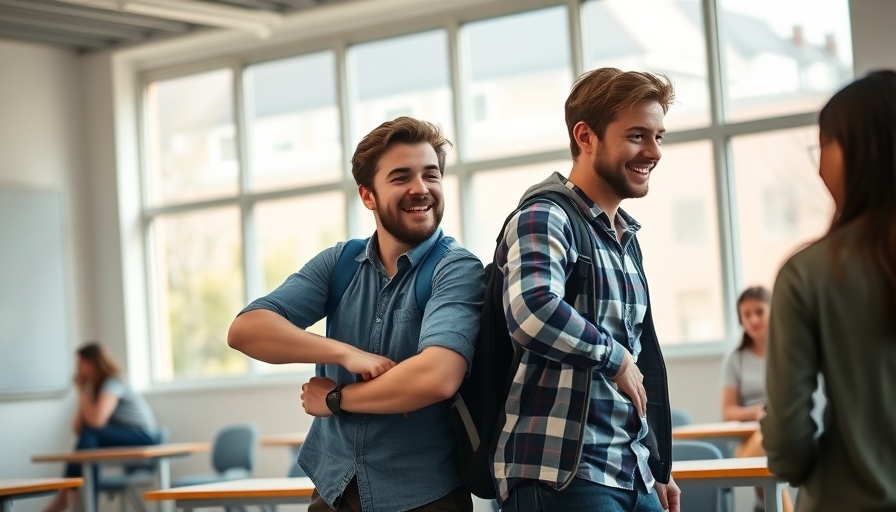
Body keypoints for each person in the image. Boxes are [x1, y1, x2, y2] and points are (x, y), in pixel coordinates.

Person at [228, 116, 485, 512]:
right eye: (401, 177)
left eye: (430, 175)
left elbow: (437, 377)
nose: (421, 189)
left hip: (422, 495)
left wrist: (336, 398)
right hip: (333, 487)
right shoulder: (340, 262)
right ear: (368, 196)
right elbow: (247, 329)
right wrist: (344, 354)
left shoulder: (456, 268)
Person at [492, 68, 680, 512]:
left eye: (659, 136)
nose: (653, 152)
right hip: (561, 473)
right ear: (586, 136)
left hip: (627, 470)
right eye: (637, 136)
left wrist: (656, 466)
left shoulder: (624, 238)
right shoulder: (545, 215)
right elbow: (531, 310)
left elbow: (639, 359)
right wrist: (613, 358)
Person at [762, 70, 896, 510]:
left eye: (823, 146)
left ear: (857, 153)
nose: (819, 165)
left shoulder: (810, 273)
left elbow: (787, 439)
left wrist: (799, 466)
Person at [44, 342, 160, 512]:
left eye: (80, 365)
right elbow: (78, 429)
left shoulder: (114, 382)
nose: (77, 370)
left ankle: (71, 494)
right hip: (122, 436)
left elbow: (96, 422)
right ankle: (74, 494)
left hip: (143, 436)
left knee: (90, 437)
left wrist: (83, 392)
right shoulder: (96, 389)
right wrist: (83, 392)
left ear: (92, 364)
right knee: (88, 442)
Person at [721, 286, 793, 512]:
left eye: (759, 312)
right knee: (766, 442)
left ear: (773, 312)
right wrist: (756, 412)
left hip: (785, 435)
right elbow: (728, 411)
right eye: (746, 314)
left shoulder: (789, 352)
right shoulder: (735, 359)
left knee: (771, 447)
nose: (753, 319)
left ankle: (762, 504)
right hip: (749, 443)